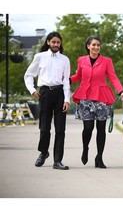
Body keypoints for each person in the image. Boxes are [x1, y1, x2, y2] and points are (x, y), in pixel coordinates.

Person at [70, 36, 123, 169]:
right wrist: (65, 80)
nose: (96, 47)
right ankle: (85, 148)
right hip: (85, 96)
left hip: (102, 97)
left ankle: (99, 157)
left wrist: (121, 91)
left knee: (101, 129)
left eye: (98, 45)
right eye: (93, 45)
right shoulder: (82, 60)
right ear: (88, 46)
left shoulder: (107, 61)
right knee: (88, 127)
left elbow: (113, 77)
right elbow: (78, 76)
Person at [24, 31, 71, 170]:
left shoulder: (65, 59)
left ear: (60, 44)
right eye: (53, 42)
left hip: (59, 94)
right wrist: (32, 90)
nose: (56, 44)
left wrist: (67, 99)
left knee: (60, 129)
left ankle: (57, 161)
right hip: (44, 93)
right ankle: (43, 152)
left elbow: (66, 81)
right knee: (44, 128)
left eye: (58, 42)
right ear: (48, 42)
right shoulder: (39, 57)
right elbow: (29, 75)